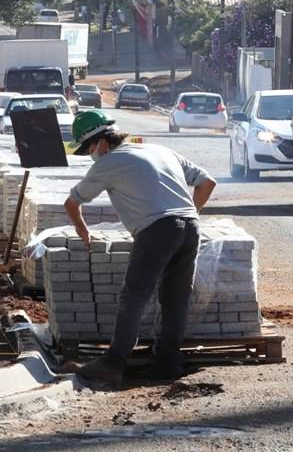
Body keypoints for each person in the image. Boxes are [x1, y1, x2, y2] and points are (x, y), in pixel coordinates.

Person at [63, 110, 217, 386]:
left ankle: (113, 362)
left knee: (134, 295)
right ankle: (167, 364)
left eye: (89, 149)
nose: (90, 155)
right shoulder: (161, 150)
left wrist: (83, 231)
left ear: (102, 142)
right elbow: (207, 182)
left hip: (157, 231)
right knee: (175, 299)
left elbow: (71, 203)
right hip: (191, 228)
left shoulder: (108, 163)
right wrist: (188, 215)